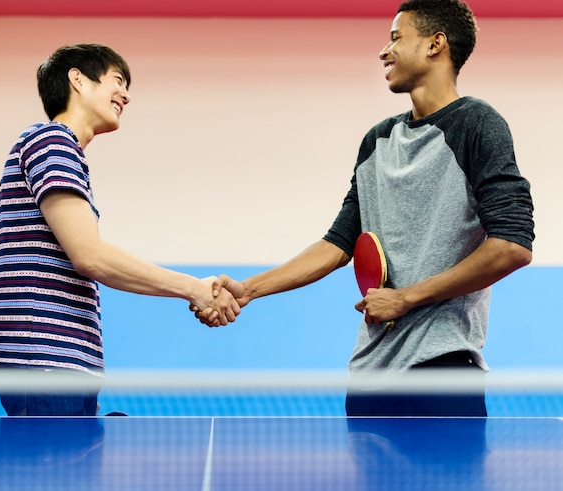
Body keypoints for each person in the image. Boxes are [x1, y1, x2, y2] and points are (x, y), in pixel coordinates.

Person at [196, 0, 534, 417]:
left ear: (435, 44)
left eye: (396, 38)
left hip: (441, 370)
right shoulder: (377, 142)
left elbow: (512, 244)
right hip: (369, 374)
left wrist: (406, 298)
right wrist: (248, 290)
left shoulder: (478, 124)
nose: (383, 51)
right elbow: (339, 243)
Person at [0, 44, 240, 416]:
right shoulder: (53, 141)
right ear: (77, 79)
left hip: (60, 359)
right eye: (117, 80)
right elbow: (90, 256)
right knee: (52, 472)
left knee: (74, 467)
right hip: (45, 359)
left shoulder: (60, 149)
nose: (126, 95)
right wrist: (193, 288)